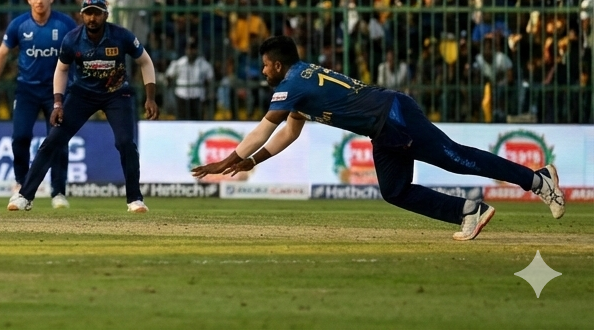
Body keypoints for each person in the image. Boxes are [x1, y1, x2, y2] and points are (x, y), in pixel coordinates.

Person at [190, 36, 566, 241]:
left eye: (266, 64)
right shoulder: (300, 84)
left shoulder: (292, 83)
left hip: (393, 116)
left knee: (455, 158)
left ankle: (537, 180)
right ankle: (470, 211)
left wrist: (228, 160)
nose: (263, 70)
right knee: (395, 191)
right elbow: (289, 129)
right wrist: (250, 161)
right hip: (383, 129)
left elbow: (265, 126)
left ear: (278, 63)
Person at [7, 0, 158, 213]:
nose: (92, 18)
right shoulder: (72, 38)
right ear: (81, 15)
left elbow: (145, 61)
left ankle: (135, 199)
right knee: (53, 141)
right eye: (88, 13)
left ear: (105, 15)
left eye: (97, 13)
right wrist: (58, 103)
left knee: (126, 143)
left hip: (116, 94)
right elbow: (61, 69)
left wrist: (150, 97)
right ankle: (25, 195)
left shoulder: (121, 36)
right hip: (82, 94)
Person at [0, 0, 76, 208]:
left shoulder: (65, 24)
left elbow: (79, 53)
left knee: (57, 139)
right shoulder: (19, 25)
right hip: (26, 89)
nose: (39, 0)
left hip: (56, 91)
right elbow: (2, 54)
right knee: (20, 137)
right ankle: (21, 186)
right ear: (29, 0)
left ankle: (58, 192)